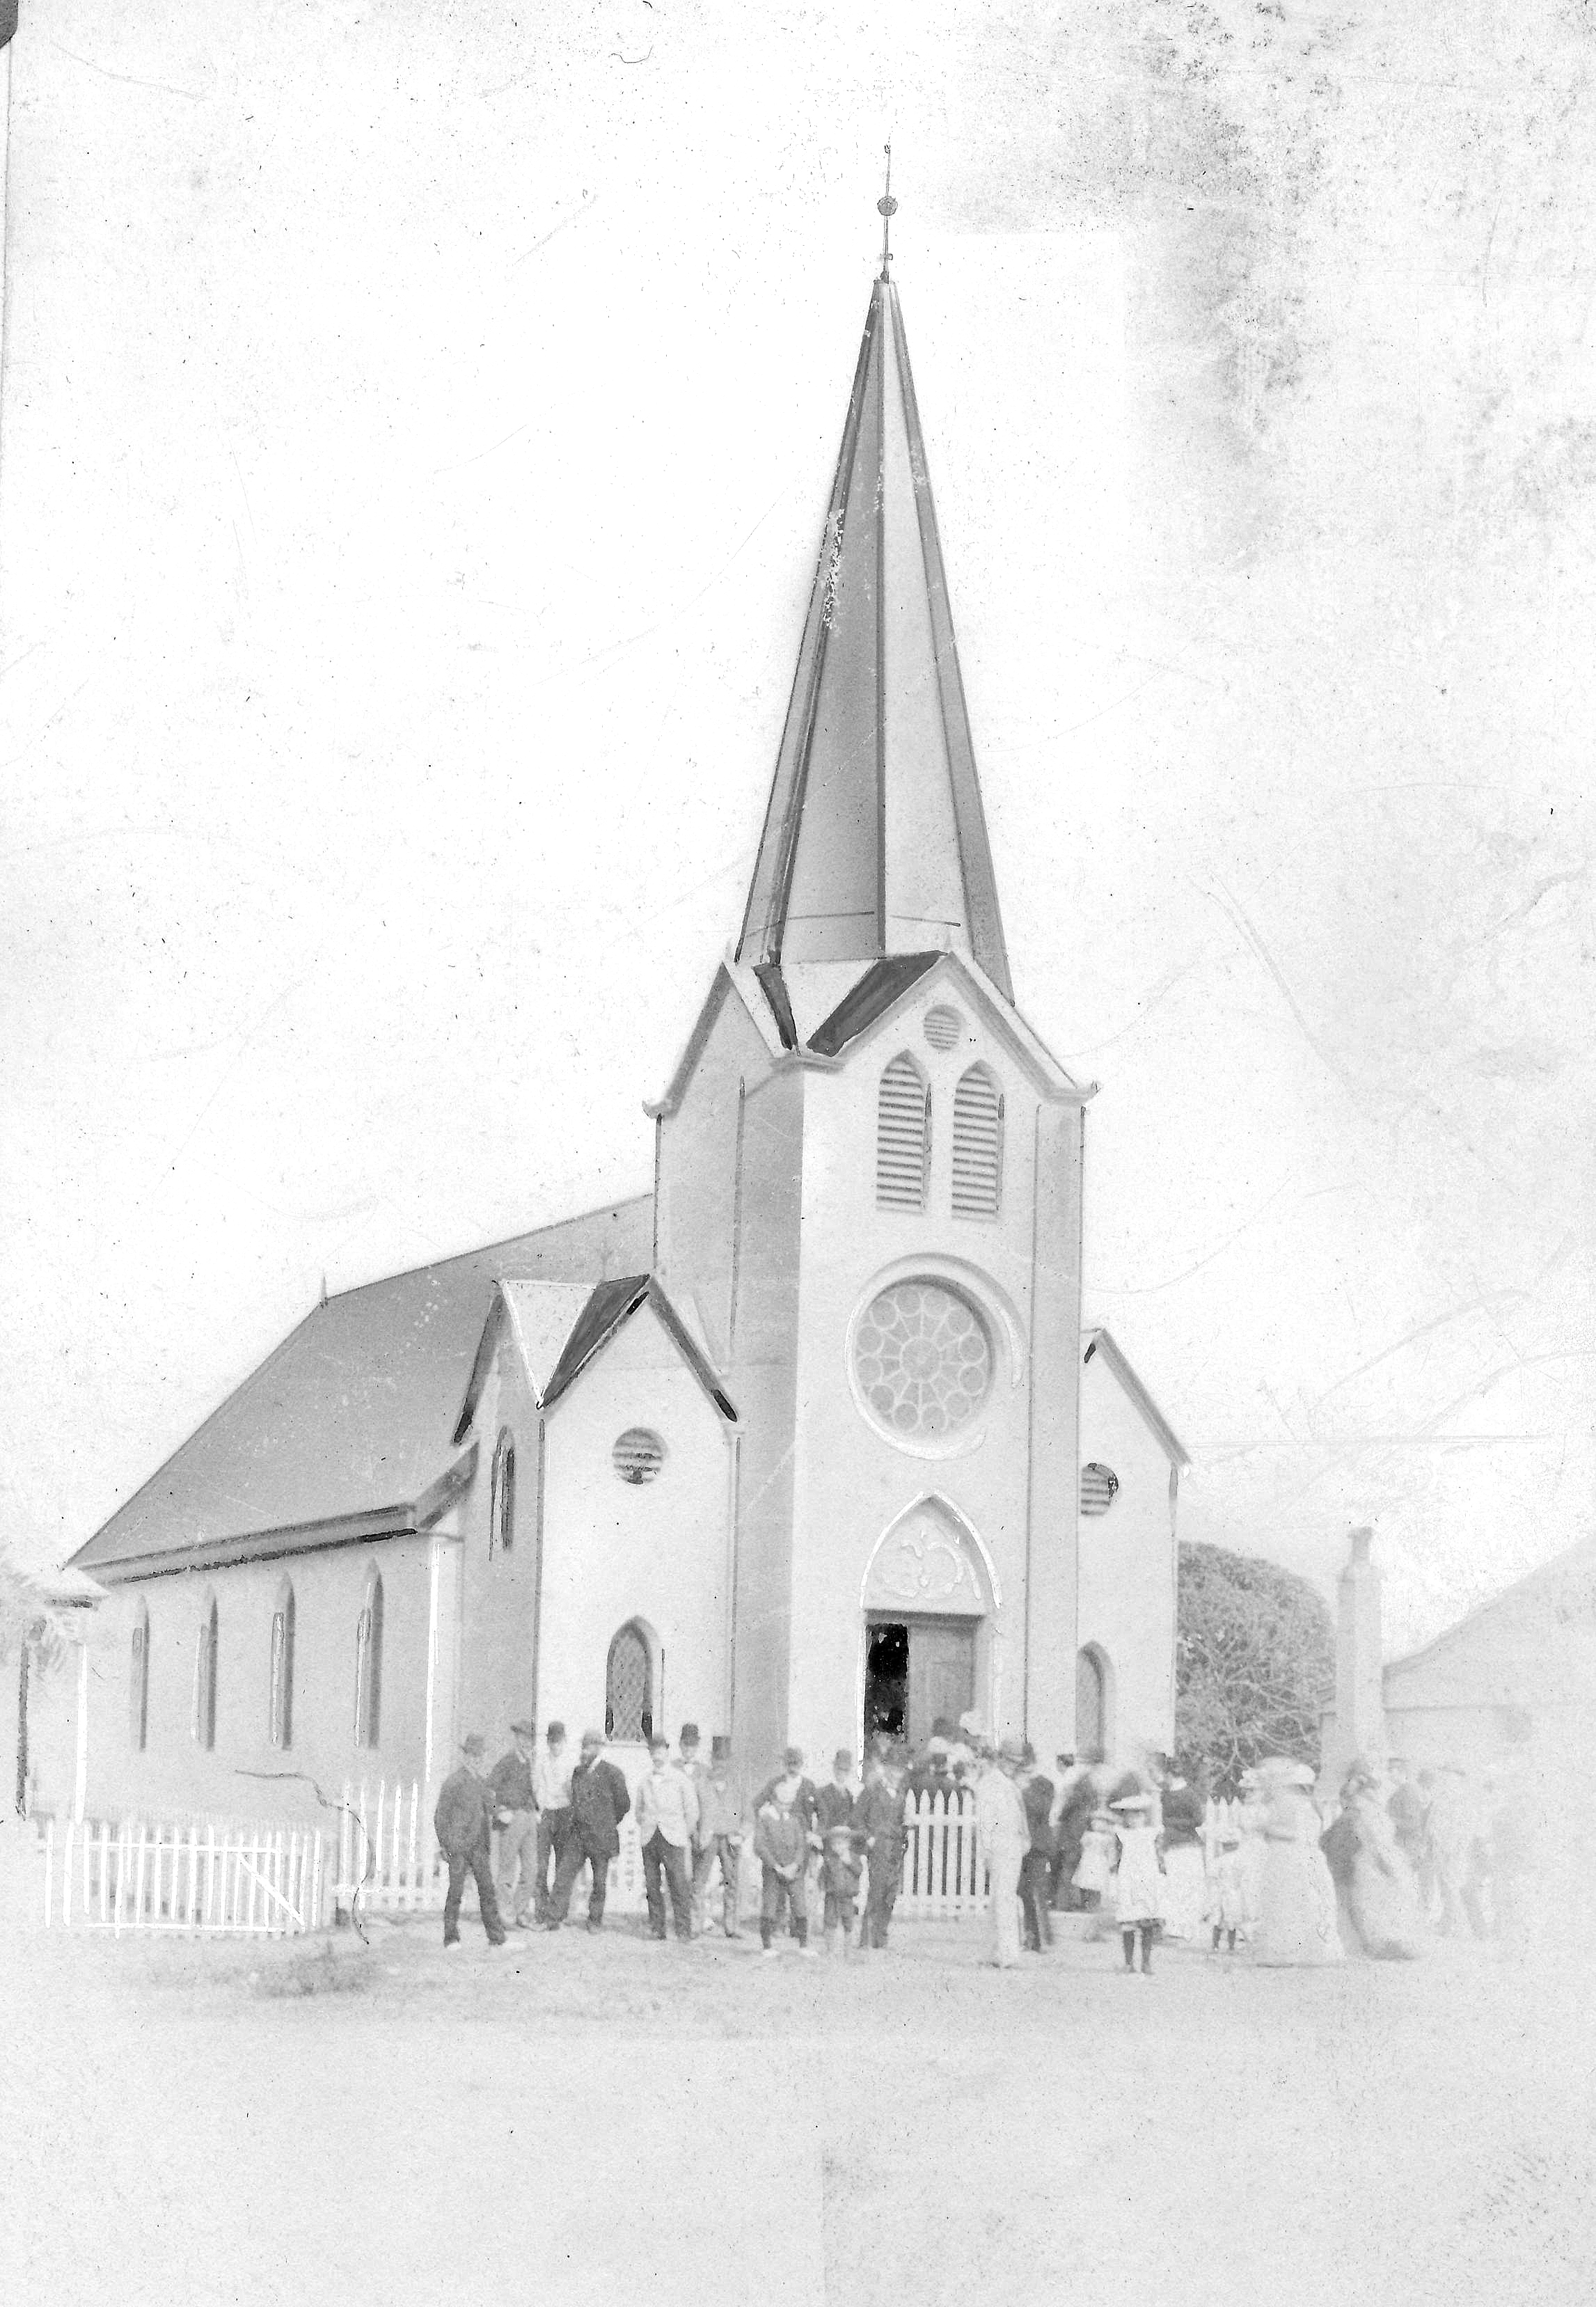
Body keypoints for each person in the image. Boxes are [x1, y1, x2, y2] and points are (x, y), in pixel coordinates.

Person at [1251, 1758, 1343, 1967]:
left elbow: (1295, 1834)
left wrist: (1267, 1830)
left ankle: (1286, 1951)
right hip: (1298, 1855)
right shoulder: (1307, 1805)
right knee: (1297, 1903)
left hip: (1289, 1854)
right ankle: (1297, 1950)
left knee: (1287, 1903)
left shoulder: (1293, 1805)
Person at [1334, 1760, 1425, 1960]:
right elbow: (1373, 1839)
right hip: (1374, 1859)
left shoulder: (1369, 1809)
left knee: (1389, 1900)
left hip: (1381, 1856)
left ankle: (1391, 1942)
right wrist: (1386, 1863)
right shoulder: (1366, 1811)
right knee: (1381, 1901)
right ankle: (1385, 1944)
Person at [546, 1731, 630, 1932]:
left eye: (589, 1747)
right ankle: (554, 1917)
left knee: (599, 1882)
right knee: (564, 1875)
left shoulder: (613, 1773)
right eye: (583, 1746)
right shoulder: (578, 1773)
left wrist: (607, 1823)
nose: (584, 1751)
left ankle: (594, 1921)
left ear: (599, 1748)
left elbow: (624, 1805)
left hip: (602, 1837)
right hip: (579, 1835)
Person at [434, 1733, 507, 1950]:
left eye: (479, 1756)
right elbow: (440, 1817)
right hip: (459, 1846)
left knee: (487, 1890)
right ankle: (451, 1938)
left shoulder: (481, 1782)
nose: (476, 1759)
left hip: (479, 1846)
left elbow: (491, 1805)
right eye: (472, 1755)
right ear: (464, 1756)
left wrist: (502, 1812)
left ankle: (496, 1937)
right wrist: (446, 1844)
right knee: (455, 1892)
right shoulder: (453, 1782)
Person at [635, 1733, 700, 1942]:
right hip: (650, 1837)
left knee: (679, 1885)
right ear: (650, 1754)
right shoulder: (645, 1780)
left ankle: (683, 1930)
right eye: (653, 1752)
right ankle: (657, 1928)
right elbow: (639, 1811)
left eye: (661, 1751)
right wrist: (648, 1826)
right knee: (652, 1885)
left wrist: (681, 1833)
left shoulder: (680, 1779)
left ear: (667, 1752)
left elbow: (692, 1812)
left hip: (674, 1838)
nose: (657, 1756)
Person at [975, 1738, 1030, 1969]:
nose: (1012, 1765)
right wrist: (986, 1849)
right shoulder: (990, 1783)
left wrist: (1024, 1840)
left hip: (1012, 1845)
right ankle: (1008, 1953)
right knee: (1005, 1898)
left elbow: (1019, 1816)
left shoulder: (1010, 1784)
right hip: (999, 1845)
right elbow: (985, 1821)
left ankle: (994, 1950)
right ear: (999, 1759)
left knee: (1001, 1897)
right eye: (1008, 1761)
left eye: (1016, 1762)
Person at [754, 1756, 814, 1956]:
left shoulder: (795, 1821)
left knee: (800, 1907)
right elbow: (760, 1846)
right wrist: (776, 1867)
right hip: (774, 1871)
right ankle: (767, 1946)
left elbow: (801, 1846)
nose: (785, 1807)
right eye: (782, 1803)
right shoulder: (766, 1819)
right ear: (774, 1800)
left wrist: (795, 1866)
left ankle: (804, 1945)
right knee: (770, 1907)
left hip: (793, 1871)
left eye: (788, 1804)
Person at [856, 1745, 909, 1951]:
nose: (897, 1774)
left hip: (896, 1849)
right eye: (894, 1769)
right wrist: (868, 1837)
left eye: (901, 1770)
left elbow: (901, 1823)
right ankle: (867, 1939)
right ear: (886, 1768)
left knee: (890, 1893)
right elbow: (857, 1819)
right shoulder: (871, 1791)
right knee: (877, 1891)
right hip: (879, 1848)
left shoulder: (901, 1794)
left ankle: (881, 1937)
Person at [488, 1719, 539, 1928]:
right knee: (507, 1870)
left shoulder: (528, 1763)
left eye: (530, 1738)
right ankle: (504, 1914)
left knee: (531, 1870)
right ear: (517, 1739)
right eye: (523, 1737)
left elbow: (528, 1791)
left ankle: (516, 1911)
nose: (527, 1742)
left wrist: (536, 1811)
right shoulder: (507, 1762)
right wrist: (499, 1812)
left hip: (529, 1819)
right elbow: (488, 1791)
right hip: (512, 1819)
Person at [1426, 1764, 1487, 1938]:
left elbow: (1468, 1829)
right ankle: (1449, 1925)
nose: (1446, 1782)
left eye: (1450, 1779)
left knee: (1459, 1889)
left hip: (1458, 1852)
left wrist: (1455, 1848)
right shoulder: (1440, 1801)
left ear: (1458, 1781)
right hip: (1442, 1851)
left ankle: (1464, 1927)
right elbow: (1432, 1826)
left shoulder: (1464, 1803)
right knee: (1446, 1889)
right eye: (1444, 1779)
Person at [692, 1735, 744, 1939]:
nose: (720, 1764)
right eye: (716, 1759)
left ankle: (731, 1926)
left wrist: (741, 1833)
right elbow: (693, 1813)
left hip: (730, 1838)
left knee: (732, 1881)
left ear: (729, 1761)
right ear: (711, 1760)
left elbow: (748, 1816)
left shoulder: (737, 1785)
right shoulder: (701, 1784)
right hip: (709, 1836)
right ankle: (696, 1923)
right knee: (699, 1881)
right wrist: (698, 1834)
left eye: (723, 1760)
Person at [1109, 1792, 1163, 1974]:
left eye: (1137, 1815)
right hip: (1128, 1881)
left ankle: (1146, 1962)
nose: (1132, 1819)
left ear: (1144, 1816)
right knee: (1128, 1922)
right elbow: (1116, 1858)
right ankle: (1128, 1962)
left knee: (1146, 1922)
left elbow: (1159, 1857)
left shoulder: (1151, 1834)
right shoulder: (1121, 1835)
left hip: (1147, 1880)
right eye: (1128, 1815)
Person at [1156, 1759, 1206, 1943]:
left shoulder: (1189, 1794)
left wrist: (1173, 1824)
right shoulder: (1166, 1795)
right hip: (1172, 1845)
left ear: (1171, 1775)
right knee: (1175, 1886)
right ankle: (1175, 1926)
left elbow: (1198, 1820)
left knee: (1189, 1886)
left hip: (1188, 1845)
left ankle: (1188, 1928)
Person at [531, 1720, 575, 1925]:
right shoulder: (541, 1762)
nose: (555, 1746)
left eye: (558, 1742)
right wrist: (539, 1812)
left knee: (563, 1864)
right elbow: (537, 1788)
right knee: (541, 1864)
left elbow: (573, 1793)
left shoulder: (571, 1763)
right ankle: (541, 1910)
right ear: (548, 1743)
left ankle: (558, 1912)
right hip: (547, 1814)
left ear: (564, 1742)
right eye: (552, 1742)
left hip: (565, 1814)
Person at [1019, 1746, 1057, 1952]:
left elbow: (1042, 1810)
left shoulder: (1044, 1784)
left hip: (1038, 1847)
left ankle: (1042, 1940)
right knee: (1023, 1893)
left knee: (1036, 1892)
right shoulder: (1015, 1784)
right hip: (1020, 1846)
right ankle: (1030, 1937)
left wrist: (1025, 1789)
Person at [1052, 1763, 1099, 1909]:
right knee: (1082, 1870)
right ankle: (1082, 1903)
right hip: (1083, 1837)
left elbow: (1063, 1813)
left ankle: (1063, 1903)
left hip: (1071, 1837)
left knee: (1067, 1870)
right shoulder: (1090, 1800)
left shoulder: (1076, 1796)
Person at [821, 1822, 863, 1955]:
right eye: (836, 1844)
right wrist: (822, 1888)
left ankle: (848, 1951)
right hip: (832, 1895)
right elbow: (823, 1876)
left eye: (842, 1843)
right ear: (832, 1845)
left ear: (849, 1844)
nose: (839, 1847)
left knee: (848, 1922)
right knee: (830, 1921)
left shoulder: (854, 1858)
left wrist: (849, 1863)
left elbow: (859, 1871)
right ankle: (830, 1950)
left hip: (847, 1896)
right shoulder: (829, 1859)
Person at [1205, 1823, 1247, 1953]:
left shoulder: (1226, 1860)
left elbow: (1213, 1876)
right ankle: (1226, 1946)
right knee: (1226, 1920)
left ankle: (1220, 1945)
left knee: (1225, 1920)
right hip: (1227, 1891)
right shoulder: (1229, 1860)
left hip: (1228, 1891)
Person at [1072, 1808, 1116, 1912]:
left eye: (1102, 1822)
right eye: (1095, 1822)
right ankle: (1084, 1903)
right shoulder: (1088, 1835)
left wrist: (1111, 1862)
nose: (1098, 1825)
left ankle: (1094, 1905)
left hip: (1099, 1860)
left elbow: (1111, 1851)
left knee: (1097, 1883)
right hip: (1088, 1859)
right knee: (1084, 1881)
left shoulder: (1108, 1838)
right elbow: (1083, 1845)